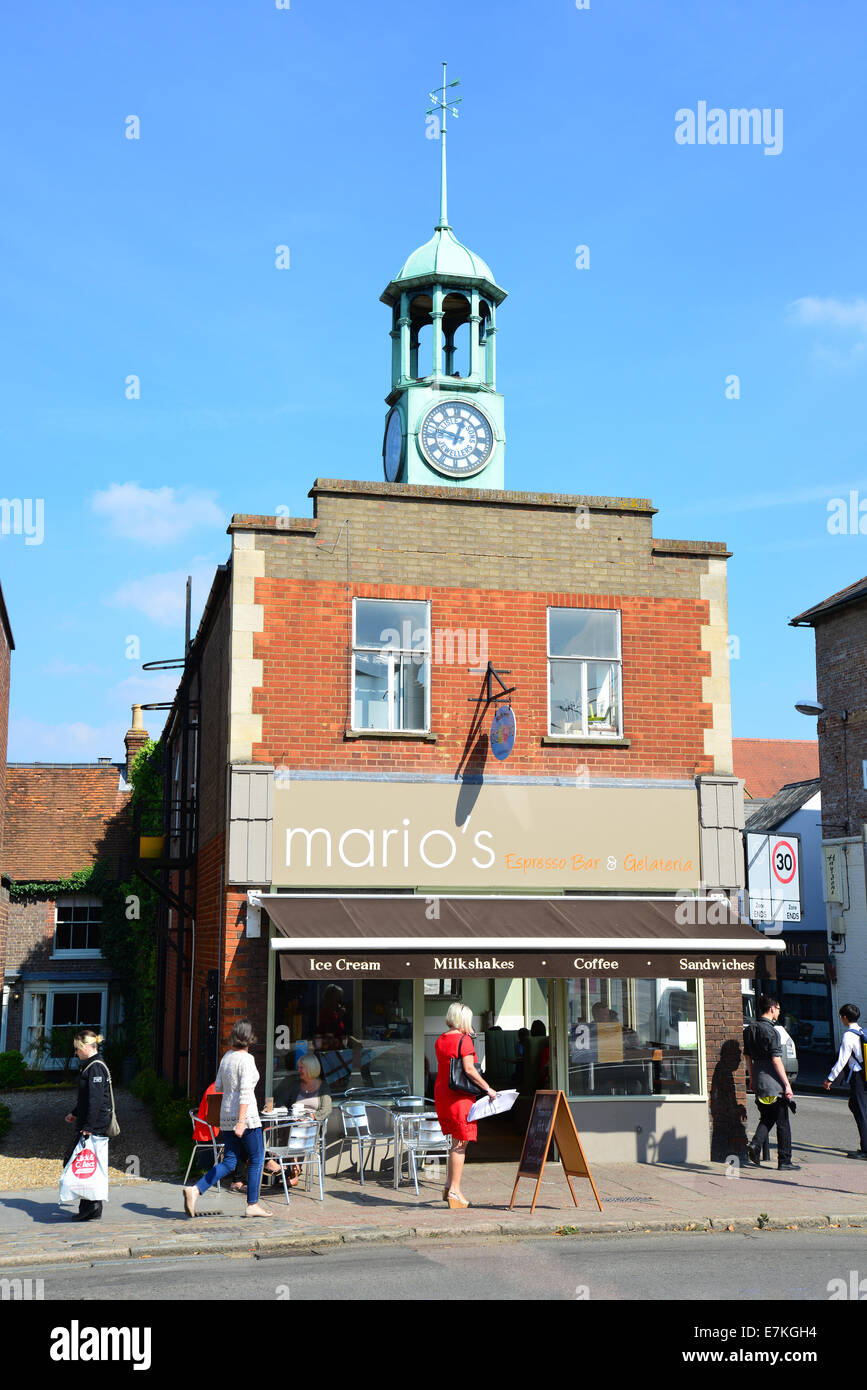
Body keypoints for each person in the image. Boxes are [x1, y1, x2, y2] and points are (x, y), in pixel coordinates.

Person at [183, 1020, 272, 1219]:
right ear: (250, 1038)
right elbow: (246, 1093)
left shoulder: (227, 1058)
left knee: (230, 1161)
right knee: (257, 1158)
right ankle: (253, 1204)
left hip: (226, 1117)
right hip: (246, 1119)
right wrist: (241, 1121)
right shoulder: (247, 1060)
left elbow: (220, 1087)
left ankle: (196, 1190)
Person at [434, 1003, 497, 1209]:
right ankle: (454, 1190)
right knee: (461, 1143)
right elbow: (469, 1069)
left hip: (443, 1094)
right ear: (464, 1020)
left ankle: (448, 1186)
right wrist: (488, 1089)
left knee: (455, 1141)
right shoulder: (464, 1040)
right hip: (459, 1097)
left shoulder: (440, 1039)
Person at [63, 1028, 114, 1221]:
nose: (75, 1053)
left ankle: (90, 1206)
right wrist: (75, 1113)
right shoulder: (90, 1066)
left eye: (77, 1048)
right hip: (90, 1123)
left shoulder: (96, 1067)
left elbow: (96, 1100)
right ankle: (92, 1206)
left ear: (85, 1046)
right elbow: (86, 1098)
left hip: (95, 1126)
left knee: (79, 1163)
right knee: (87, 1163)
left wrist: (89, 1128)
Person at [744, 994, 799, 1171]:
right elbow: (776, 1060)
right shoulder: (771, 1031)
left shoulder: (749, 1030)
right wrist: (787, 1084)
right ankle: (785, 1161)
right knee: (782, 1121)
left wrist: (752, 1079)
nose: (779, 1013)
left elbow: (747, 1057)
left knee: (768, 1116)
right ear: (772, 1008)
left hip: (759, 1079)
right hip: (773, 1081)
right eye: (778, 1010)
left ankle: (755, 1145)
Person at [279, 1054, 333, 1187]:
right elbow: (281, 1103)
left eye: (301, 1067)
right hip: (295, 1124)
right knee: (290, 1126)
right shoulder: (295, 1085)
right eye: (298, 1067)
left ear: (310, 1068)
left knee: (294, 1128)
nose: (298, 1070)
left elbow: (326, 1109)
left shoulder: (323, 1086)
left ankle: (291, 1170)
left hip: (312, 1128)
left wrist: (312, 1117)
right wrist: (282, 1111)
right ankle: (294, 1169)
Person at [823, 1004, 867, 1159]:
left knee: (861, 1112)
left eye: (841, 1016)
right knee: (855, 1106)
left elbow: (842, 1060)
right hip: (864, 1074)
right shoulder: (862, 1031)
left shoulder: (848, 1035)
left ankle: (865, 1149)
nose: (841, 1019)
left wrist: (830, 1078)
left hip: (858, 1076)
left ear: (845, 1017)